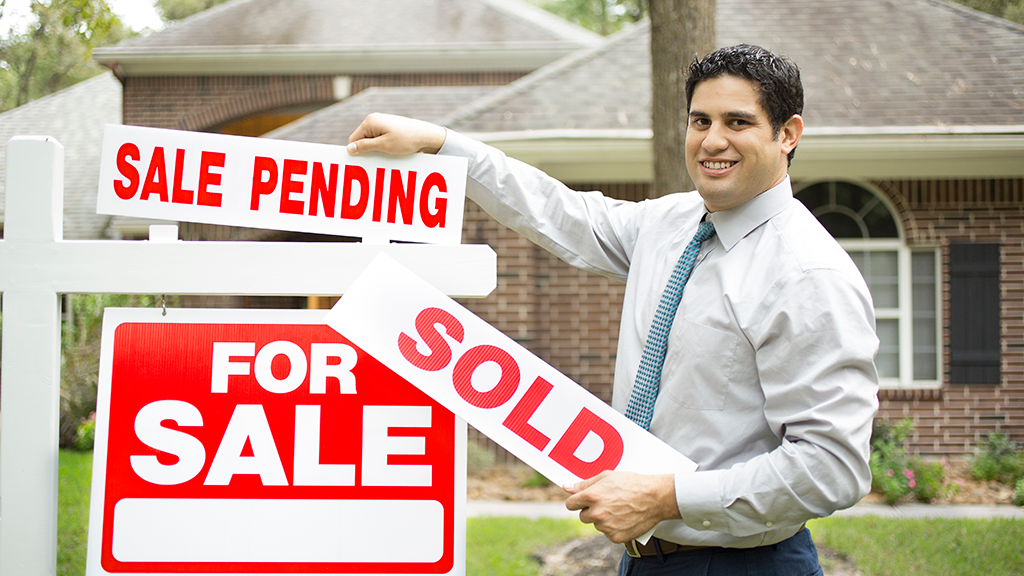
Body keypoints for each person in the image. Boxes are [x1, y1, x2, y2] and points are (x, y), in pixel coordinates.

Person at [347, 44, 879, 576]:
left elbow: (831, 467)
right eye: (701, 120)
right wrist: (443, 144)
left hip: (744, 565)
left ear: (788, 134)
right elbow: (558, 212)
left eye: (737, 122)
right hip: (641, 560)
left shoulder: (808, 275)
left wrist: (667, 499)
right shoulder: (669, 225)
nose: (712, 140)